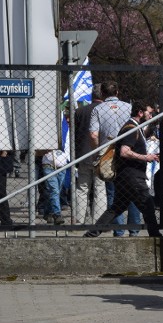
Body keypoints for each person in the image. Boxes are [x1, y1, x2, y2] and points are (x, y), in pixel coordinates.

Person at [84, 101, 163, 238]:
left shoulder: (136, 128)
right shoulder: (130, 128)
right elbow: (124, 151)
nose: (151, 116)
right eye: (149, 113)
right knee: (148, 205)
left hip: (126, 176)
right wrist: (146, 157)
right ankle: (155, 235)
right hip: (132, 177)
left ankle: (92, 233)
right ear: (140, 112)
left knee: (117, 207)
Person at [89, 81, 141, 237]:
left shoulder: (97, 109)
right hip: (129, 153)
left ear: (103, 94)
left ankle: (118, 230)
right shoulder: (128, 107)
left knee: (113, 194)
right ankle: (134, 229)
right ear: (117, 92)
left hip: (109, 154)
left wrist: (97, 151)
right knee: (132, 192)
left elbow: (93, 134)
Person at [74, 84, 106, 224]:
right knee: (100, 188)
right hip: (101, 154)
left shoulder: (80, 111)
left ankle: (79, 220)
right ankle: (98, 221)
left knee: (82, 188)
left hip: (83, 154)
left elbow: (75, 134)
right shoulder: (105, 111)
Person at [40, 148, 68, 225]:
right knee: (54, 190)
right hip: (48, 166)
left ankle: (48, 212)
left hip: (62, 166)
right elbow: (37, 151)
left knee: (56, 192)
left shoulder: (66, 137)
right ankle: (57, 214)